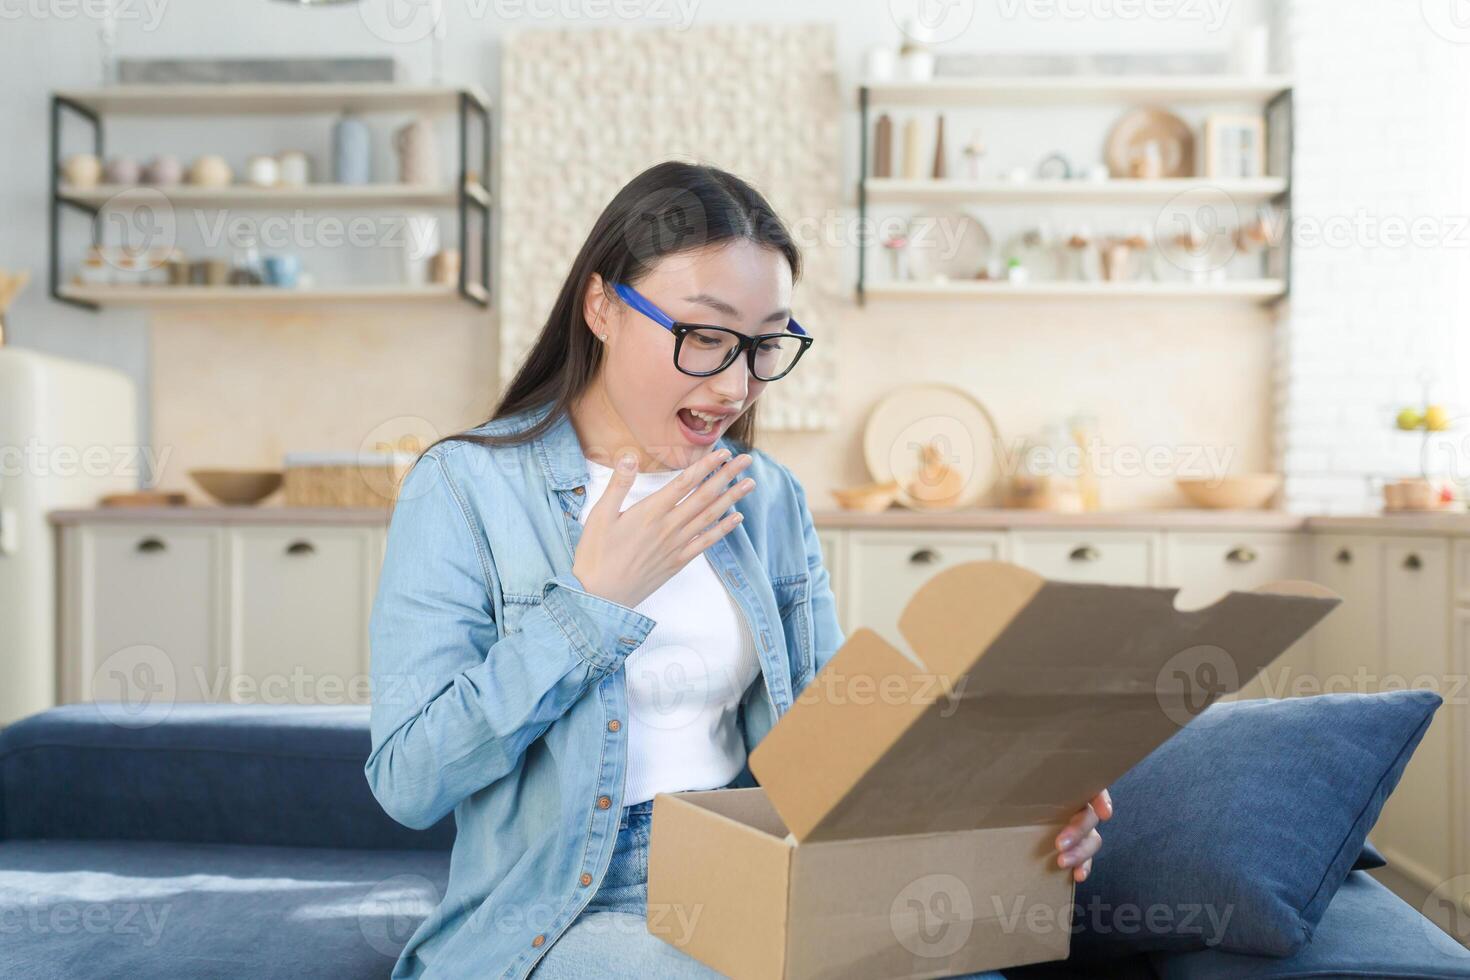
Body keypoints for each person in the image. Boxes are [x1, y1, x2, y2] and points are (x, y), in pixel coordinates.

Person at [365, 160, 1111, 979]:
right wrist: (589, 608)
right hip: (565, 904)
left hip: (760, 860)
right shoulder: (467, 488)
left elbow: (837, 745)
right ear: (603, 306)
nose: (734, 385)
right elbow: (410, 778)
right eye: (705, 336)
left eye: (762, 345)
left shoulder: (768, 500)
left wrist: (1006, 808)